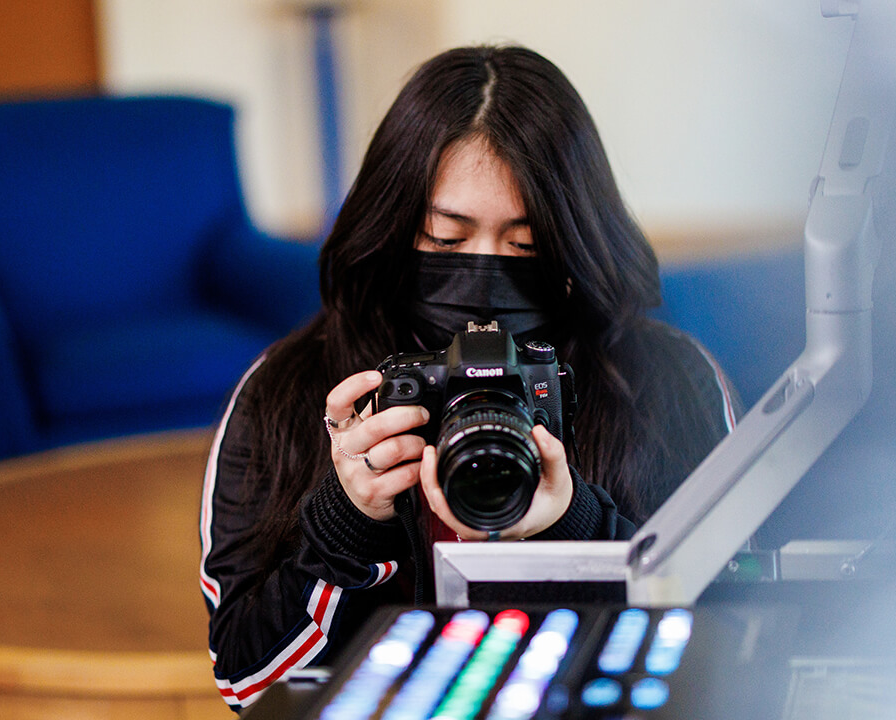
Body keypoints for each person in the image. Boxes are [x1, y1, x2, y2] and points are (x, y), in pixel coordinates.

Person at [199, 44, 740, 711]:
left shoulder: (667, 379)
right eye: (446, 240)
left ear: (575, 240)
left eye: (526, 244)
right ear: (394, 228)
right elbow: (244, 682)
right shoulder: (287, 389)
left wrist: (575, 529)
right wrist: (347, 522)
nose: (484, 277)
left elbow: (730, 645)